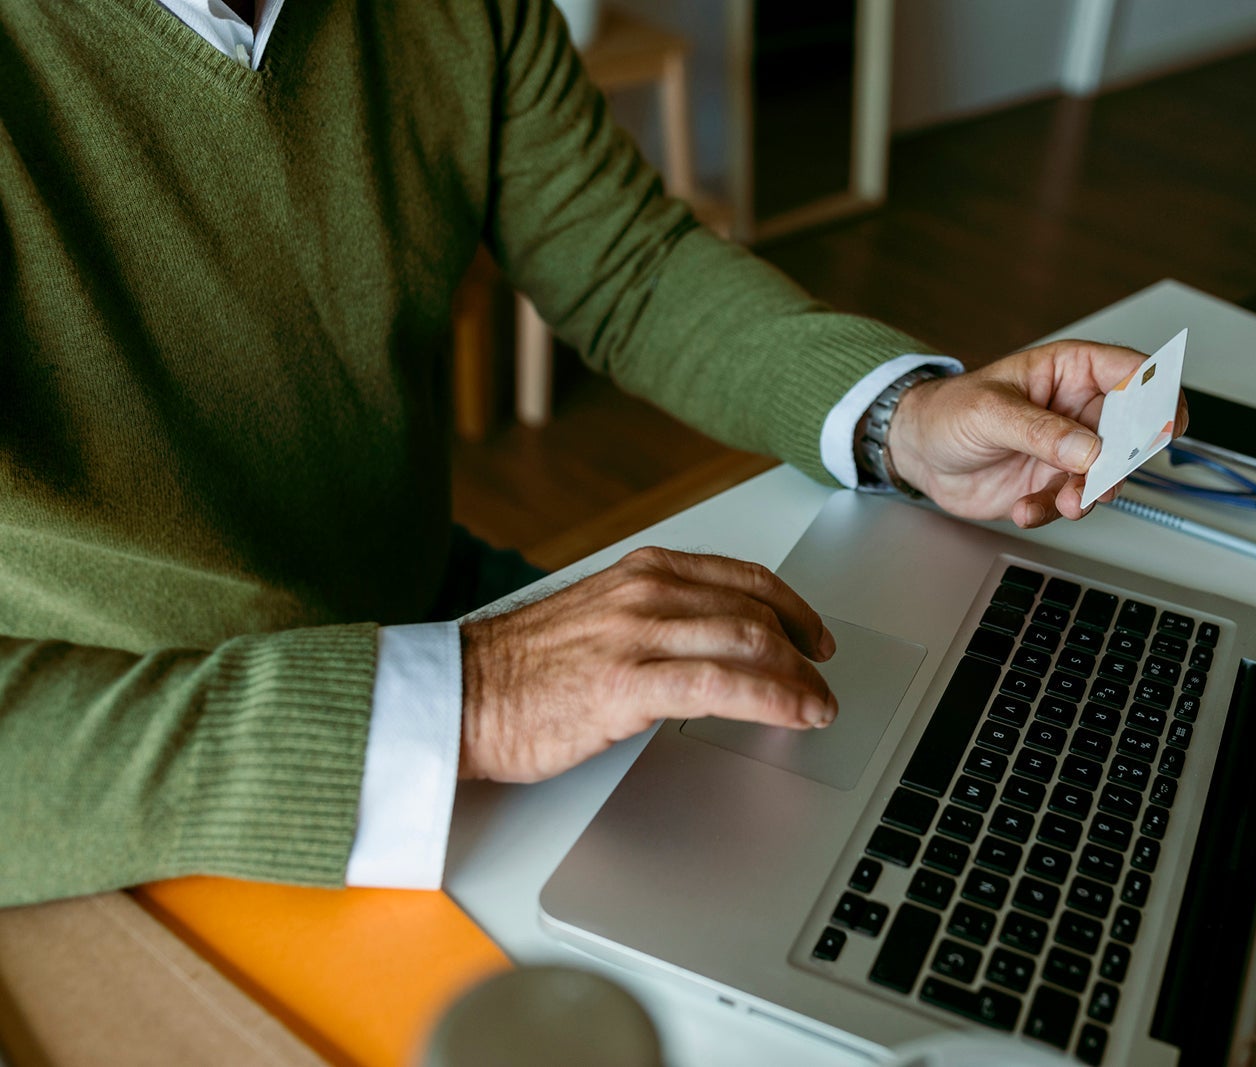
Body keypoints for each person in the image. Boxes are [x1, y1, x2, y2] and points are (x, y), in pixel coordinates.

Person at [0, 0, 1183, 906]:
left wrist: (900, 419)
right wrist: (475, 696)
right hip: (134, 777)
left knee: (906, 804)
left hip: (427, 617)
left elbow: (626, 262)